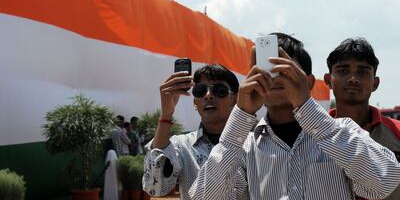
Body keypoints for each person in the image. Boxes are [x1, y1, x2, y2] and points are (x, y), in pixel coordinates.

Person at [189, 33, 400, 200]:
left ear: (307, 82)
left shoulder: (340, 131)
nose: (275, 77)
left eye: (285, 68)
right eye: (267, 68)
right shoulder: (245, 146)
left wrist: (306, 106)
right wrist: (241, 114)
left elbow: (385, 181)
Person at [143, 64, 239, 200]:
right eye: (200, 90)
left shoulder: (252, 143)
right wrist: (166, 115)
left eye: (219, 90)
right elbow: (154, 187)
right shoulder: (181, 146)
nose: (208, 95)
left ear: (234, 100)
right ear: (195, 103)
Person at [324, 37, 400, 200]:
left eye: (362, 72)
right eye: (343, 71)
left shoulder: (397, 132)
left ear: (375, 83)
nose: (353, 78)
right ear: (328, 80)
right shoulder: (310, 134)